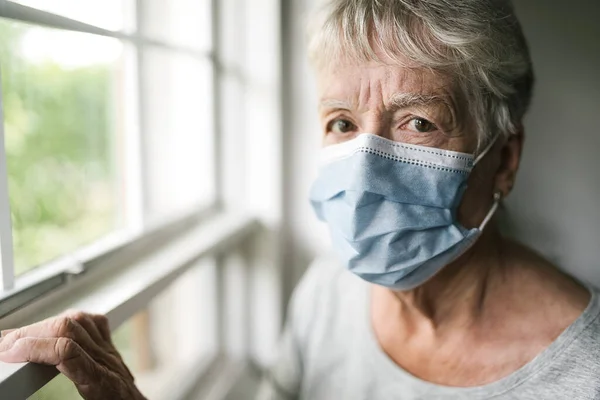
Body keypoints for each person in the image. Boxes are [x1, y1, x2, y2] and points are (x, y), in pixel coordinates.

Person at [1, 0, 600, 399]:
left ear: (506, 158)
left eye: (418, 122)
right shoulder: (327, 292)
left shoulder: (585, 374)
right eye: (341, 122)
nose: (366, 165)